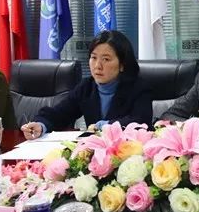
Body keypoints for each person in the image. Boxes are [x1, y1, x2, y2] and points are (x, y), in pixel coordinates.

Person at [21, 30, 152, 140]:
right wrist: (41, 125)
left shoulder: (138, 88)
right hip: (94, 154)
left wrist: (104, 126)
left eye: (106, 59)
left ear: (122, 65)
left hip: (130, 152)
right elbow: (60, 113)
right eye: (93, 58)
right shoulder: (86, 87)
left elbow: (140, 122)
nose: (97, 66)